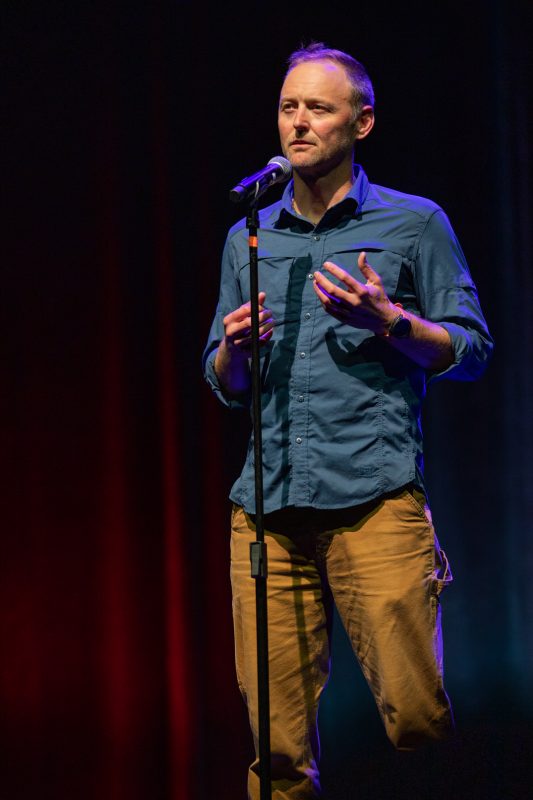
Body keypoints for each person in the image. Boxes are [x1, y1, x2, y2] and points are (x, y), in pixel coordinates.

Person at [203, 43, 493, 800]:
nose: (298, 124)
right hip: (266, 513)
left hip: (374, 501)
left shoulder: (413, 223)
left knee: (415, 721)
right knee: (274, 746)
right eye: (288, 107)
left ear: (360, 122)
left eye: (318, 109)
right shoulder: (249, 237)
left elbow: (470, 349)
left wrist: (392, 320)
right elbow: (223, 381)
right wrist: (233, 349)